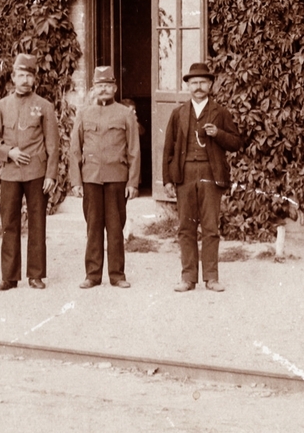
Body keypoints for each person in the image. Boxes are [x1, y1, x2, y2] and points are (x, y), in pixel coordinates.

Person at [160, 60, 246, 292]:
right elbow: (168, 148)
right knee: (185, 227)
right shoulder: (178, 114)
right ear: (188, 86)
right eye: (194, 82)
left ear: (210, 85)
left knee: (210, 226)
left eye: (202, 82)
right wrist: (168, 179)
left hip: (211, 173)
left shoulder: (221, 113)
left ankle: (211, 277)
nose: (198, 86)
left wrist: (218, 134)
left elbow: (237, 143)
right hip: (185, 174)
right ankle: (188, 277)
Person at [0, 52, 59, 290]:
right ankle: (9, 276)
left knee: (37, 224)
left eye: (29, 75)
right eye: (21, 75)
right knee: (9, 223)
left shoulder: (44, 106)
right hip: (10, 174)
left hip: (37, 173)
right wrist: (9, 153)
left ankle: (36, 275)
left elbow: (53, 145)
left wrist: (50, 175)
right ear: (13, 77)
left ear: (34, 79)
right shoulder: (0, 106)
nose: (25, 80)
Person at [68, 65, 140, 288]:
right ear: (93, 88)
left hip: (117, 178)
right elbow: (74, 149)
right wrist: (76, 181)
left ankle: (117, 275)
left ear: (115, 88)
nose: (104, 90)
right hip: (91, 178)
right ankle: (92, 275)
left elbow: (134, 150)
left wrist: (133, 182)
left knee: (116, 227)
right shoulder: (83, 113)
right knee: (93, 227)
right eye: (100, 86)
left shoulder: (125, 113)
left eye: (108, 86)